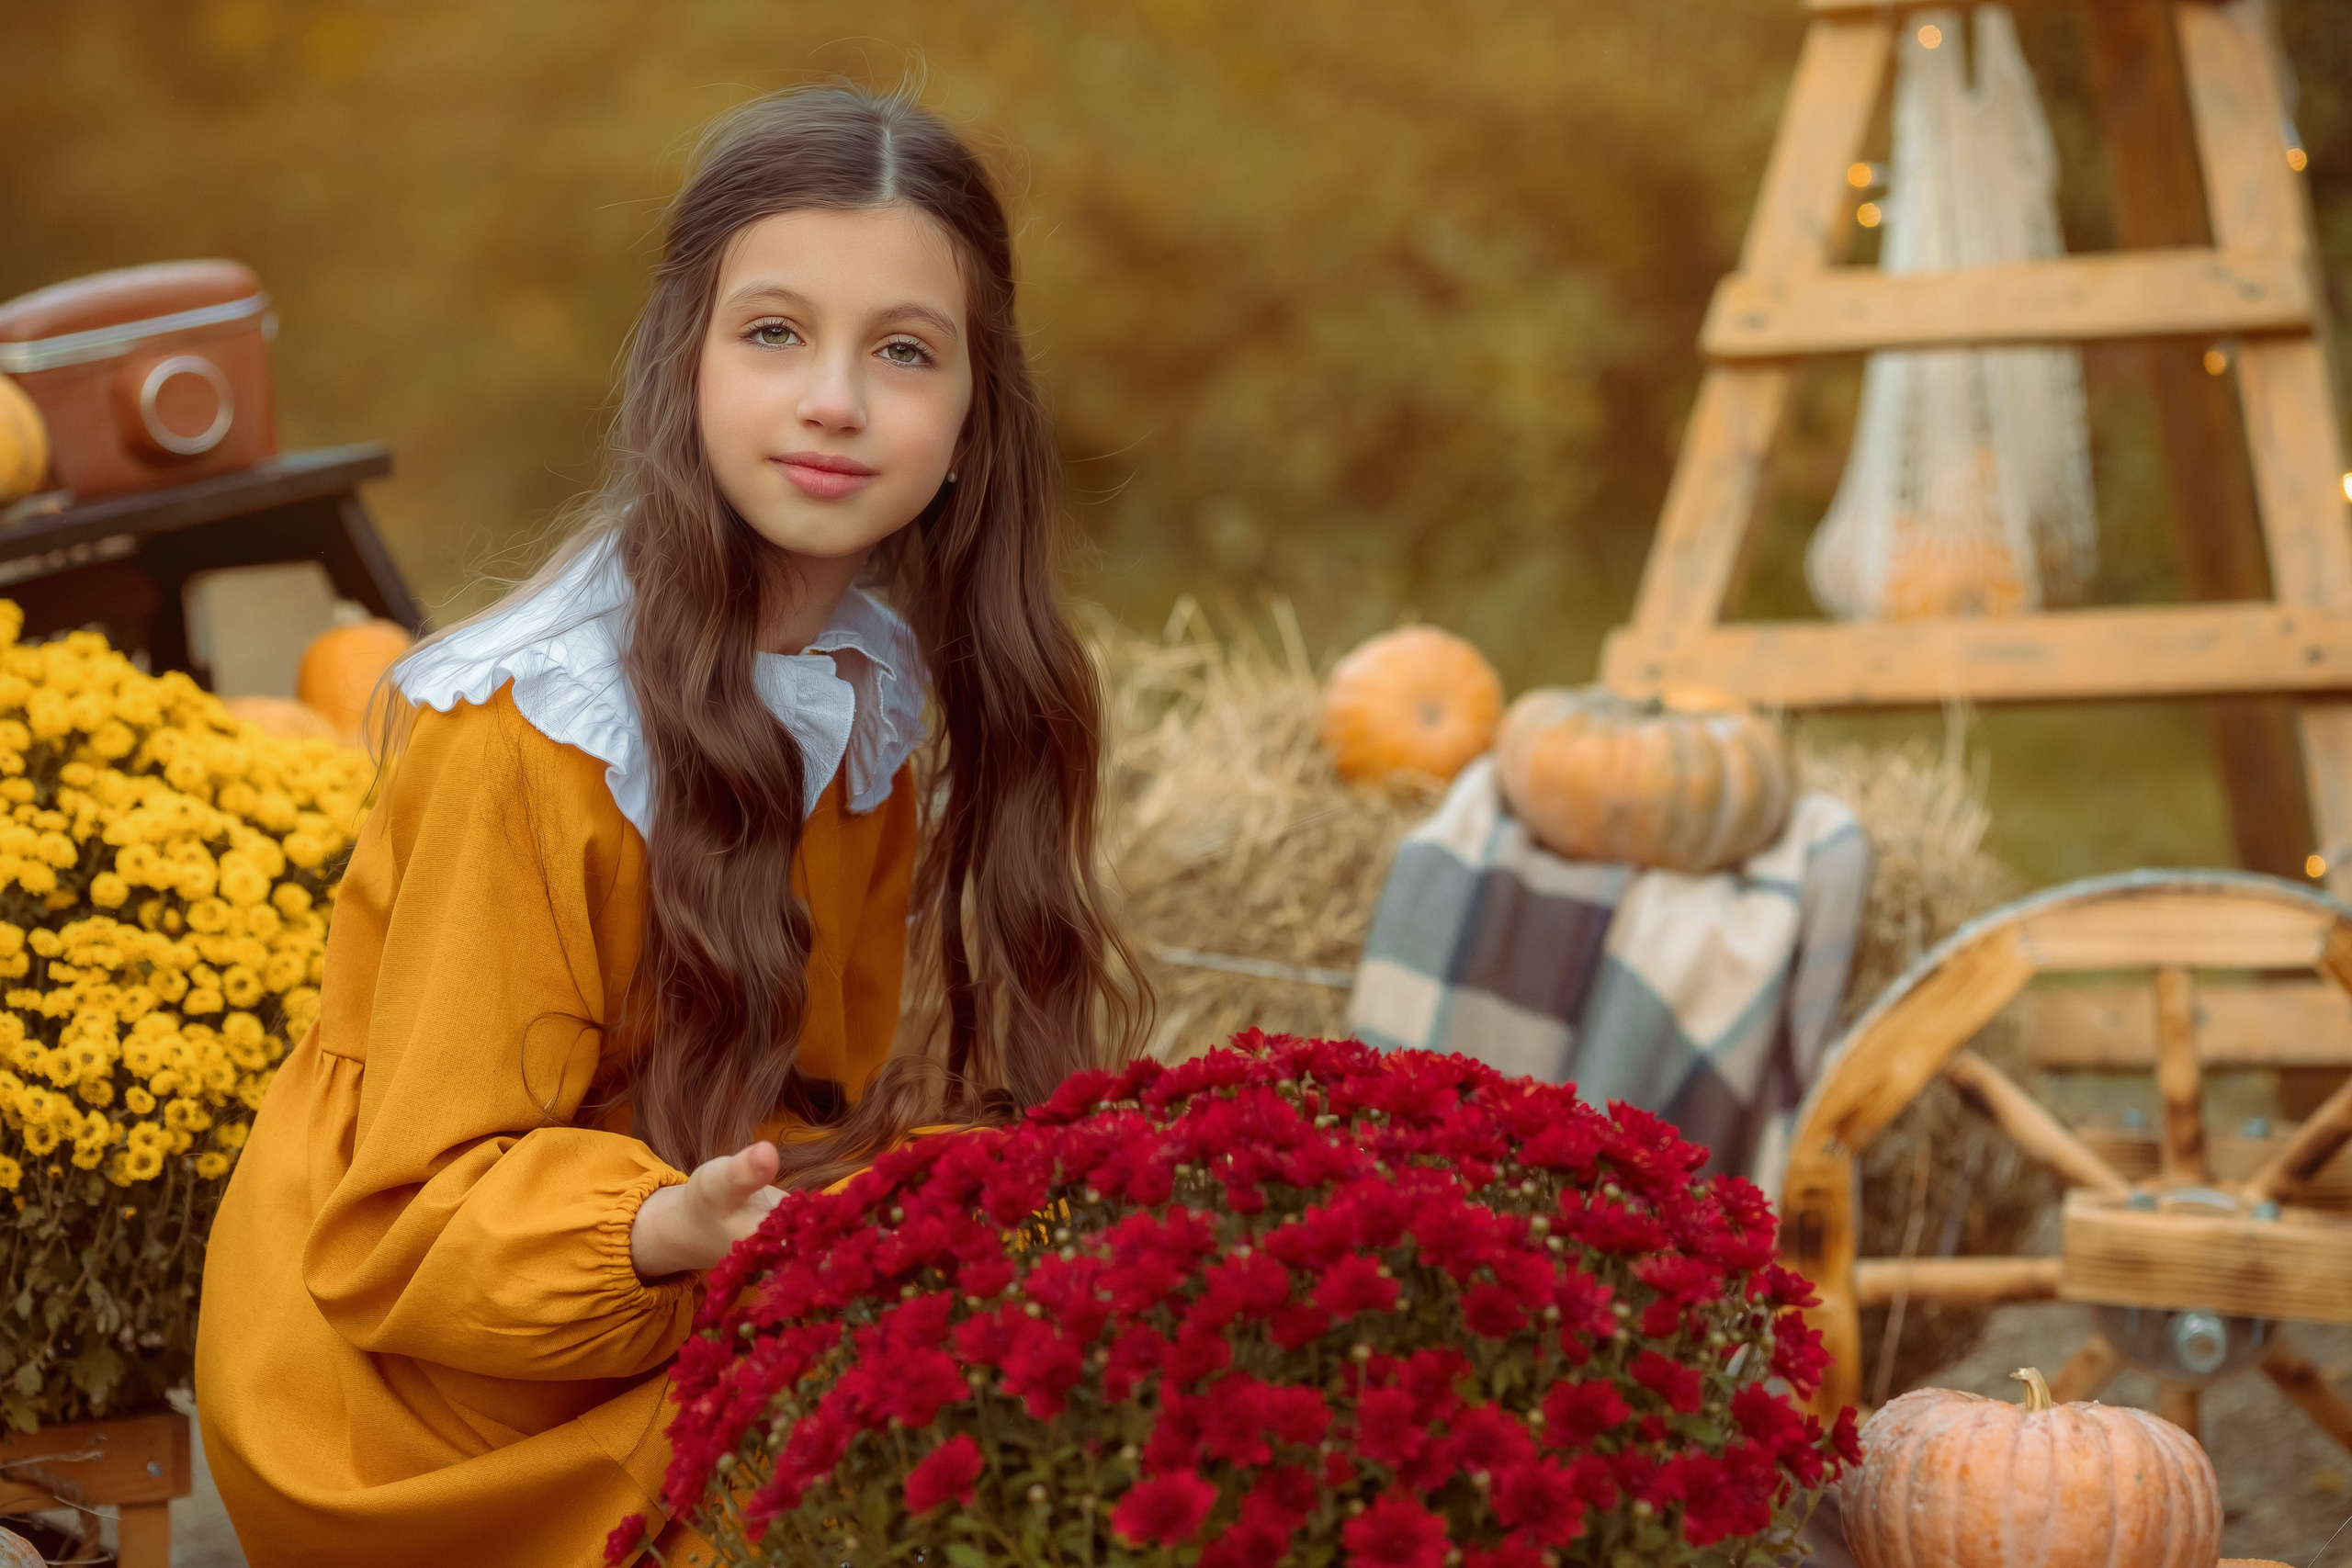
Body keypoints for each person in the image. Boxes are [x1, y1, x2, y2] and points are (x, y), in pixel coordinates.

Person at [195, 86, 1147, 1567]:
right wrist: (670, 1233)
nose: (835, 398)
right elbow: (408, 1222)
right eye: (773, 333)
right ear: (685, 365)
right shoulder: (538, 731)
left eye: (904, 352)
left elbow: (808, 1099)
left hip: (694, 1277)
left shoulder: (861, 690)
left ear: (972, 415)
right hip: (415, 1396)